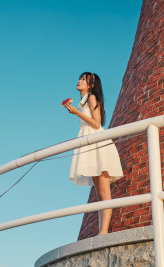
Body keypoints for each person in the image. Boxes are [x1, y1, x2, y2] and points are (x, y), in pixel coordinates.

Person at [64, 72, 123, 235]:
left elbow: (96, 124)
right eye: (80, 78)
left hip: (97, 143)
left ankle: (103, 231)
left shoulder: (91, 98)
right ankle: (101, 231)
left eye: (83, 79)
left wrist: (76, 113)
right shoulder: (83, 102)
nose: (79, 81)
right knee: (98, 193)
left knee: (104, 191)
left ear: (90, 85)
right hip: (89, 143)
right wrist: (77, 111)